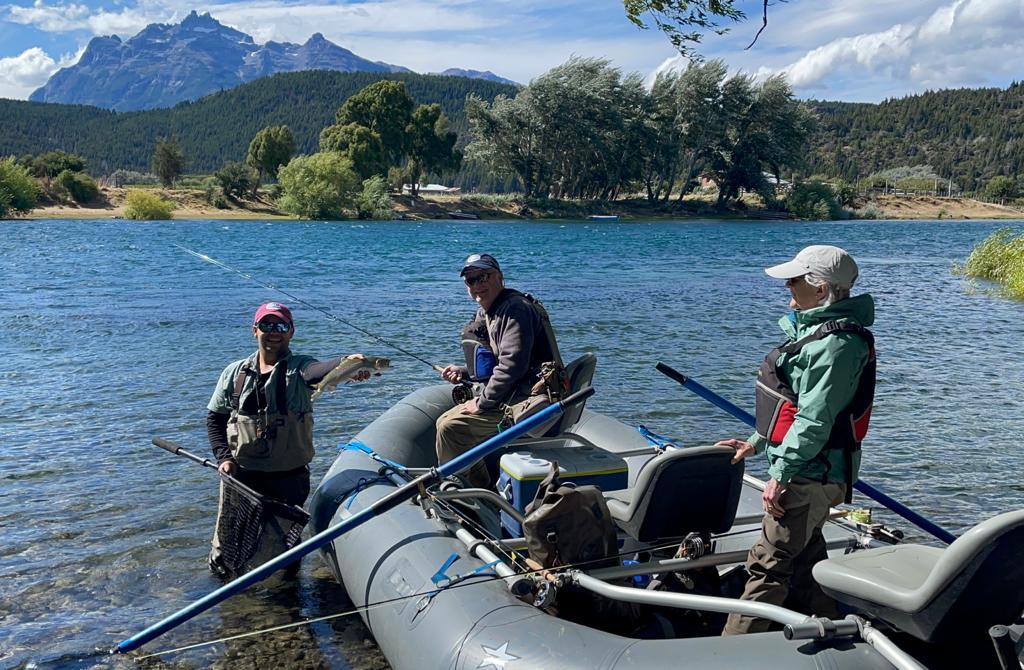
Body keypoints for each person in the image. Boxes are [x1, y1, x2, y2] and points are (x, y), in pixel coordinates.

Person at [719, 245, 876, 635]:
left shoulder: (836, 346)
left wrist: (782, 472)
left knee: (768, 564)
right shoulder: (817, 334)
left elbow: (816, 419)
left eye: (795, 278)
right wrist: (756, 442)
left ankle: (732, 653)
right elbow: (794, 405)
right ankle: (839, 631)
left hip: (810, 474)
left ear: (821, 290)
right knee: (805, 558)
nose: (787, 284)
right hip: (811, 469)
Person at [206, 301, 370, 574]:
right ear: (254, 330)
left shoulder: (299, 368)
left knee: (282, 553)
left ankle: (284, 603)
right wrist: (223, 458)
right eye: (267, 325)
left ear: (291, 332)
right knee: (228, 552)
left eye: (281, 325)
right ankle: (231, 606)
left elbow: (320, 371)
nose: (274, 331)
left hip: (288, 480)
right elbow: (215, 419)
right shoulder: (234, 373)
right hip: (241, 479)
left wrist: (348, 364)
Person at [436, 253, 565, 488]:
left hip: (531, 401)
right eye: (471, 280)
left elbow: (512, 366)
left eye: (483, 276)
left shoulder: (515, 310)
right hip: (518, 392)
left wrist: (483, 402)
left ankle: (472, 494)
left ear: (500, 277)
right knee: (444, 420)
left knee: (450, 428)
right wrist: (464, 372)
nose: (478, 285)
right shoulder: (492, 311)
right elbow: (501, 365)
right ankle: (477, 484)